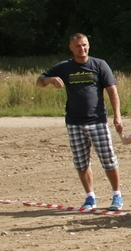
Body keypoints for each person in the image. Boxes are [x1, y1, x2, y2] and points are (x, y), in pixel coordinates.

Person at [36, 33, 124, 210]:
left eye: (84, 45)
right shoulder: (64, 67)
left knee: (108, 159)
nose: (82, 48)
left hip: (97, 120)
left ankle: (116, 195)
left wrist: (117, 115)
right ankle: (90, 197)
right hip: (74, 122)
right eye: (78, 46)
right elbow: (39, 81)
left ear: (88, 45)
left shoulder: (99, 65)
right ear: (71, 47)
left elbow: (112, 91)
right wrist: (50, 80)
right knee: (81, 162)